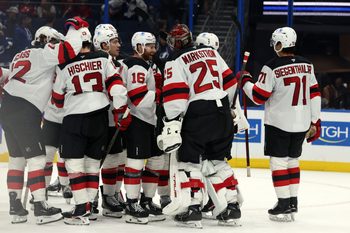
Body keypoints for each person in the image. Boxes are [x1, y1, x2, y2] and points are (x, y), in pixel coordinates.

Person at [0, 18, 87, 225]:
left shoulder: (19, 55)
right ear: (47, 40)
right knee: (37, 159)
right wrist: (76, 26)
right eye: (55, 41)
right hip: (25, 110)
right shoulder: (44, 54)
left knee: (16, 159)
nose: (56, 44)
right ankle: (40, 206)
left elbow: (8, 75)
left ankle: (16, 208)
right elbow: (72, 48)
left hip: (8, 107)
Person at [159, 24, 242, 228]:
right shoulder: (211, 53)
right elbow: (231, 82)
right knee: (217, 162)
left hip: (198, 114)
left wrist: (172, 121)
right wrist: (229, 107)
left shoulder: (174, 61)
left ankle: (193, 209)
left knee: (189, 163)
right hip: (222, 110)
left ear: (175, 43)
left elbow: (175, 94)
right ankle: (232, 207)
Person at [239, 27, 321, 222]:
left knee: (278, 162)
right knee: (292, 161)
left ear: (279, 44)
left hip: (279, 123)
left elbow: (259, 97)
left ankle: (283, 202)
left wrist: (245, 81)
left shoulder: (272, 66)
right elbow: (315, 93)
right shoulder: (307, 65)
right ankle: (292, 201)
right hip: (301, 123)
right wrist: (315, 121)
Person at [51, 26, 128, 225]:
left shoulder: (64, 66)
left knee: (74, 165)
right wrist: (120, 110)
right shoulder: (103, 59)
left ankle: (81, 208)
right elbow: (117, 87)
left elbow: (57, 99)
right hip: (100, 117)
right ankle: (90, 207)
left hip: (75, 118)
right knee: (93, 165)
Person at [120, 31, 165, 224]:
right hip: (137, 119)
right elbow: (138, 98)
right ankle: (131, 203)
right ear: (138, 47)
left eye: (154, 46)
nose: (153, 50)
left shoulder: (145, 65)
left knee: (156, 161)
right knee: (136, 162)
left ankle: (146, 200)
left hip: (150, 120)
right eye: (149, 46)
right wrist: (162, 94)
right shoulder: (135, 65)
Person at [92, 23, 126, 218]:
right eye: (114, 41)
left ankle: (109, 195)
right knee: (93, 160)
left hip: (113, 118)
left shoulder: (117, 63)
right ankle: (92, 195)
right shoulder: (99, 61)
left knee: (114, 158)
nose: (118, 44)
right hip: (98, 117)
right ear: (103, 44)